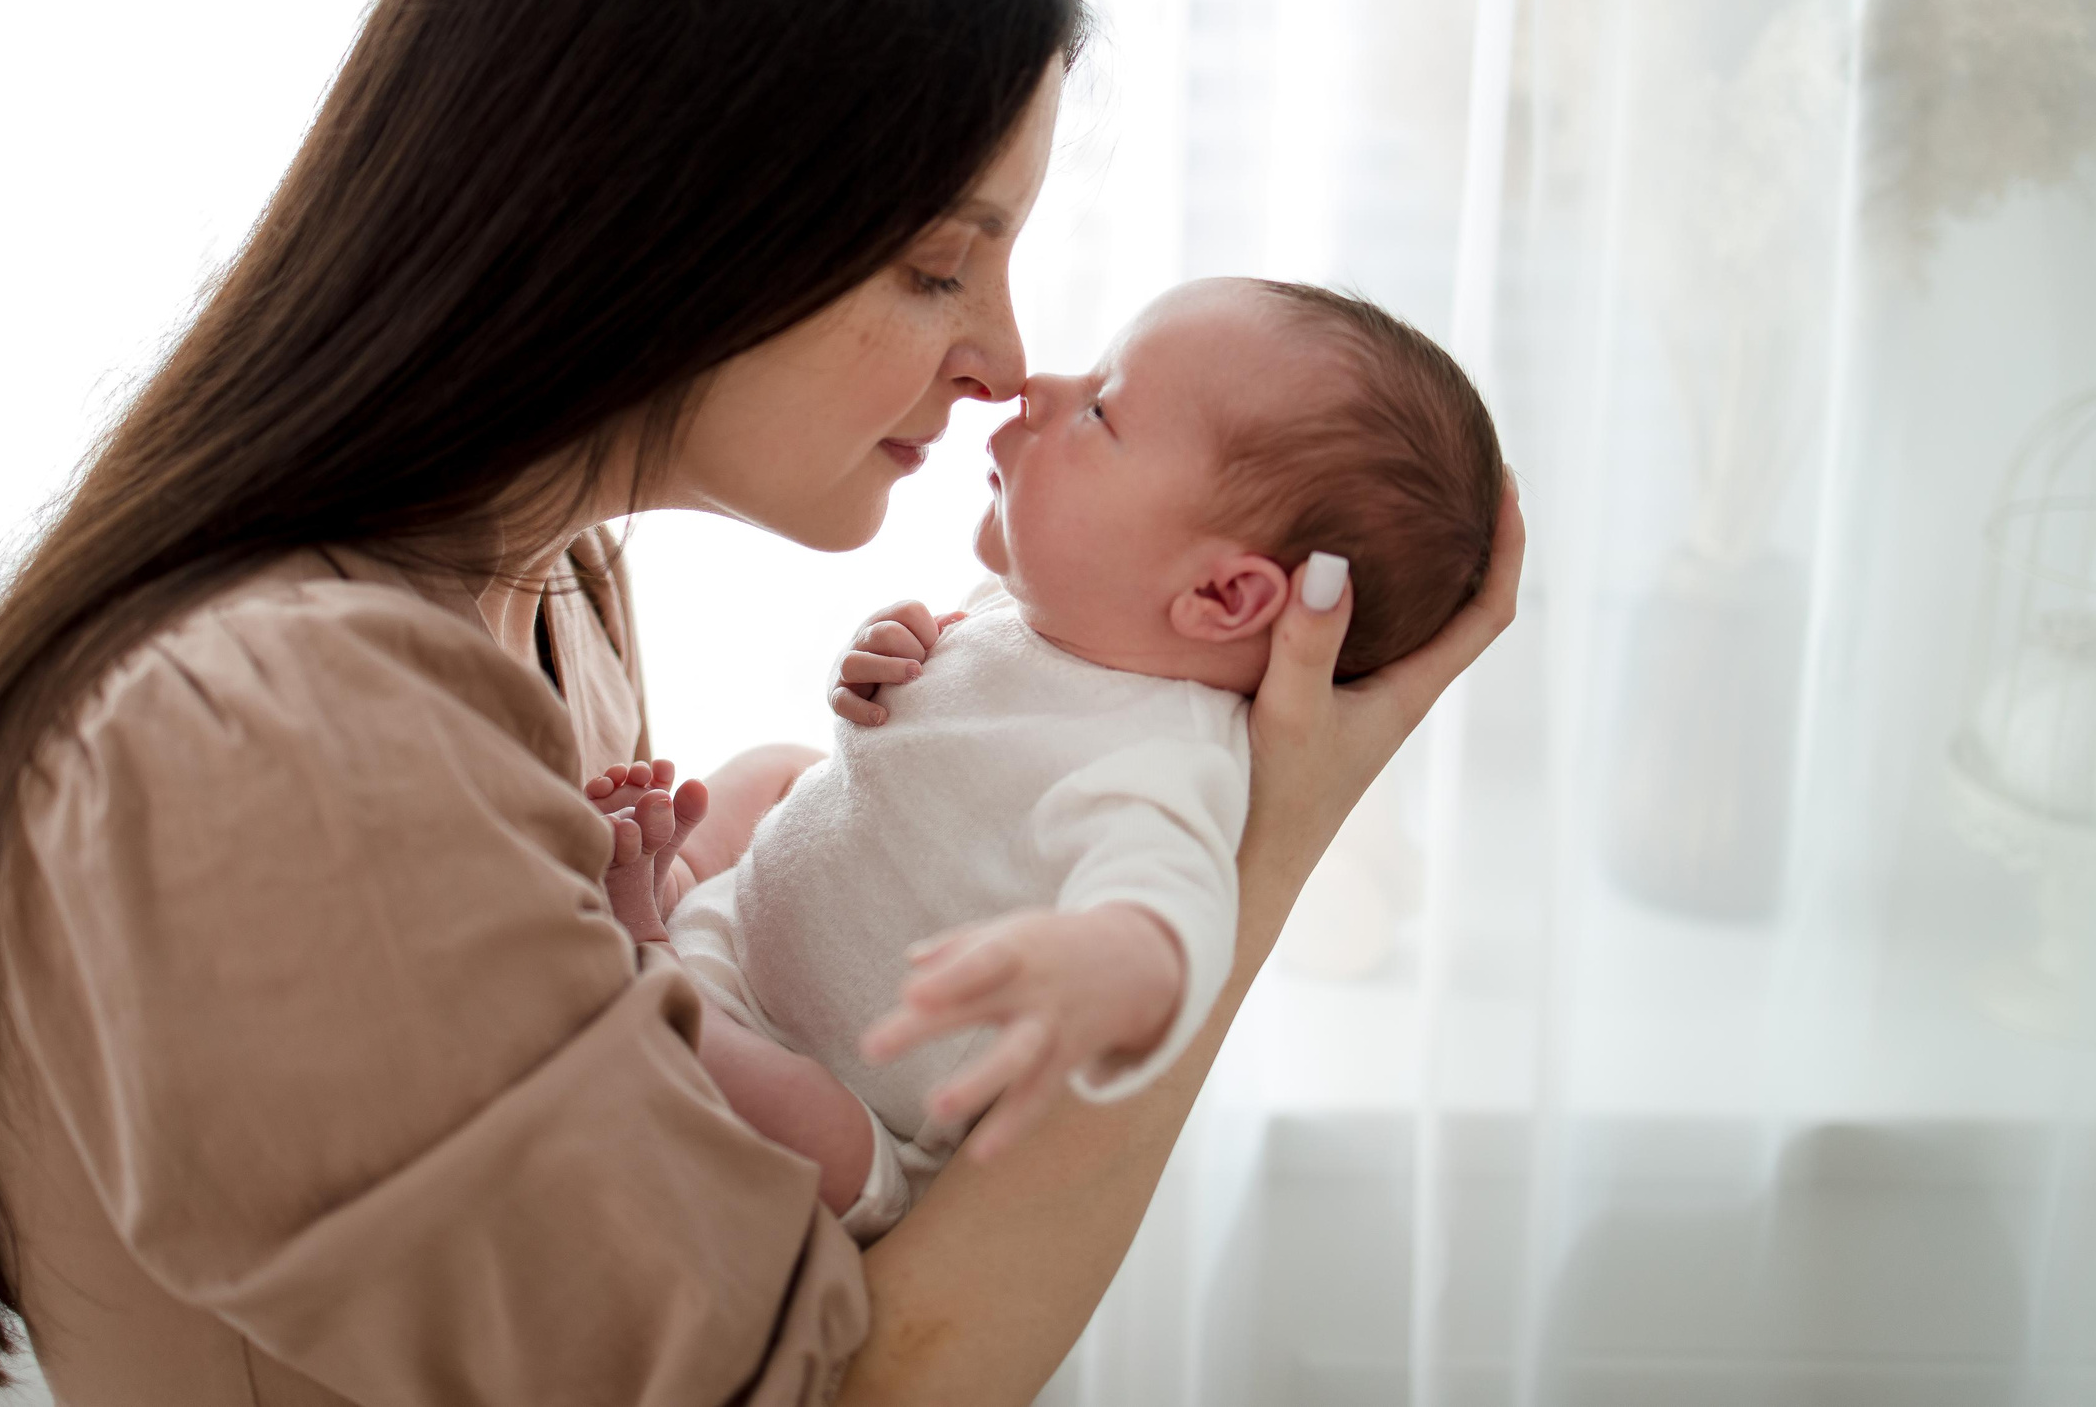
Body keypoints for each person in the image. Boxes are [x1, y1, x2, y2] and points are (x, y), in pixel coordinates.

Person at [0, 0, 1523, 1407]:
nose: (1003, 360)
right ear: (662, 210)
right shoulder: (287, 733)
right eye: (940, 262)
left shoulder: (546, 585)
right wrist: (1252, 858)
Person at [608, 278, 1503, 1242]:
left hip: (831, 1088)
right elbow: (910, 751)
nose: (1036, 385)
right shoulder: (1018, 610)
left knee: (814, 1135)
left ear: (1222, 596)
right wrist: (874, 665)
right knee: (765, 773)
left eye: (1102, 408)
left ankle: (645, 957)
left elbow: (1174, 905)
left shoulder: (1161, 762)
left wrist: (1107, 958)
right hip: (749, 925)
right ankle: (680, 887)